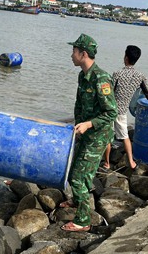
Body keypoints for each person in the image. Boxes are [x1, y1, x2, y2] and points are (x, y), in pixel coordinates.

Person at [60, 33, 118, 232]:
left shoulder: (101, 79)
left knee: (79, 177)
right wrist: (78, 126)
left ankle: (83, 220)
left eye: (74, 51)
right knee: (72, 168)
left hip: (97, 136)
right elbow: (79, 104)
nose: (71, 55)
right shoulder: (82, 75)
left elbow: (112, 112)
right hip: (84, 133)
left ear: (83, 54)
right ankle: (77, 201)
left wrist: (89, 124)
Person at [102, 45, 148, 171]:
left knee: (108, 137)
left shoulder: (117, 74)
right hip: (122, 111)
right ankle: (131, 162)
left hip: (111, 109)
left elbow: (109, 93)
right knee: (125, 137)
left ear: (126, 57)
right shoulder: (140, 76)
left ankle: (107, 163)